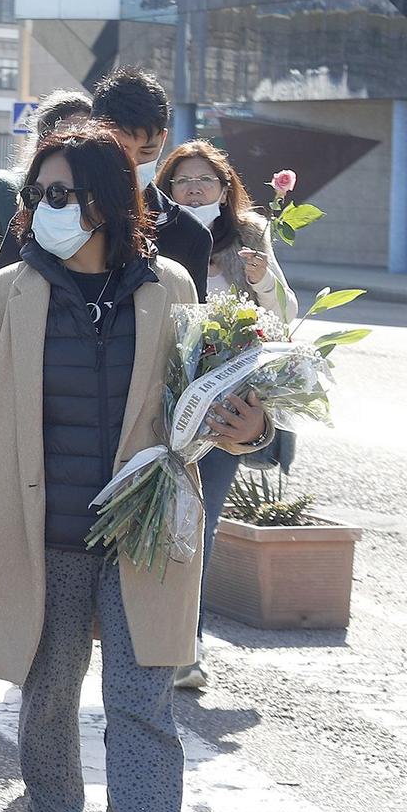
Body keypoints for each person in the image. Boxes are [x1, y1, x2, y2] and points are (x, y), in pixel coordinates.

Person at [0, 122, 269, 812]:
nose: (44, 208)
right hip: (37, 533)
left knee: (140, 693)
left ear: (109, 202)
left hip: (140, 532)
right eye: (38, 194)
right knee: (47, 694)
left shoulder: (173, 288)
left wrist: (247, 427)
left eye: (61, 193)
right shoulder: (11, 291)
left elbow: (212, 406)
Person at [157, 139, 300, 690]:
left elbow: (284, 317)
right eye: (183, 181)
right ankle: (144, 632)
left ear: (225, 189)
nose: (193, 189)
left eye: (205, 181)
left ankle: (186, 647)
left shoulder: (249, 239)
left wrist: (262, 278)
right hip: (160, 402)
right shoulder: (152, 232)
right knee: (154, 519)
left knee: (203, 521)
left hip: (223, 409)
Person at [0, 70, 210, 301]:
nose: (133, 163)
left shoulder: (188, 234)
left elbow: (189, 332)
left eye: (147, 151)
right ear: (93, 133)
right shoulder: (47, 215)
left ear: (163, 139)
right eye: (121, 150)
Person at [0, 89, 90, 244]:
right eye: (70, 139)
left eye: (90, 142)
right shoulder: (1, 192)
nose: (75, 150)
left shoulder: (98, 200)